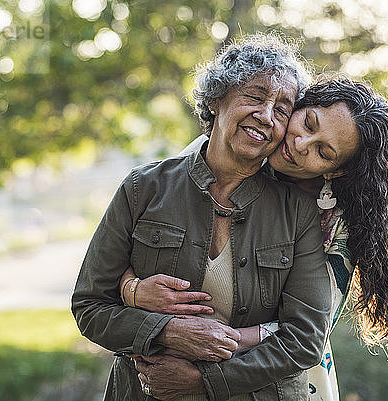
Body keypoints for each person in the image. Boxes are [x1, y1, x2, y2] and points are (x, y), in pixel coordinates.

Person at [120, 74, 388, 401]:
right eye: (308, 124)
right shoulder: (219, 153)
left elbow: (306, 332)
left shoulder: (334, 225)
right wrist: (134, 290)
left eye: (322, 152)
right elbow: (130, 248)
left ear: (335, 171)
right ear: (298, 106)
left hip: (272, 377)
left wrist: (201, 348)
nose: (300, 145)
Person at [72, 34, 336, 401]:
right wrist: (166, 331)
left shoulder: (297, 212)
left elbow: (305, 340)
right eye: (256, 97)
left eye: (281, 108)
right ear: (217, 99)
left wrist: (207, 382)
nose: (266, 116)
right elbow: (90, 306)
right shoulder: (142, 188)